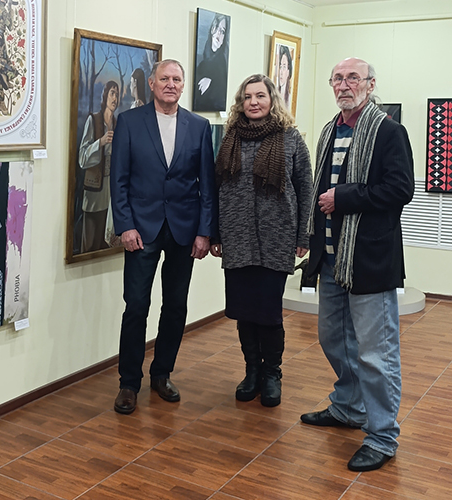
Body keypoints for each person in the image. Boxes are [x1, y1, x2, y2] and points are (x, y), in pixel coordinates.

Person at [300, 58, 414, 472]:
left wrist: (344, 198)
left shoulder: (388, 131)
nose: (344, 85)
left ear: (370, 84)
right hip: (332, 259)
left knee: (375, 354)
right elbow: (318, 193)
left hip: (368, 261)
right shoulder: (330, 130)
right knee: (333, 339)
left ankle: (382, 436)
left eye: (353, 78)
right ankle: (349, 407)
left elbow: (400, 190)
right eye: (338, 78)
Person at [110, 59, 217, 414]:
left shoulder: (198, 126)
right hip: (141, 229)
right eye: (164, 78)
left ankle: (162, 374)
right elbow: (118, 180)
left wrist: (204, 232)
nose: (171, 84)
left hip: (184, 230)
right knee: (136, 306)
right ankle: (128, 383)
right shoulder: (129, 122)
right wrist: (125, 225)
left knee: (175, 306)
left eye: (177, 79)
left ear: (183, 86)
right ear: (153, 84)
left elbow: (207, 185)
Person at [211, 74, 312, 407]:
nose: (253, 102)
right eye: (247, 97)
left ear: (272, 100)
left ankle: (272, 374)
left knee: (268, 312)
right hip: (237, 236)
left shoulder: (291, 138)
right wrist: (216, 233)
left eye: (260, 96)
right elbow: (216, 188)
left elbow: (306, 188)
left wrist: (303, 235)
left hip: (276, 237)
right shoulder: (230, 138)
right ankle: (252, 371)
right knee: (244, 311)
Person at [78, 80, 119, 253]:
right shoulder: (93, 120)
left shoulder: (117, 123)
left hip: (111, 194)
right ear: (105, 95)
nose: (115, 98)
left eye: (117, 94)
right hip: (94, 193)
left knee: (106, 244)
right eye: (112, 93)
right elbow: (82, 158)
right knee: (90, 244)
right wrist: (100, 143)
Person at [193, 13, 229, 112]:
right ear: (212, 29)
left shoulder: (221, 64)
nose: (218, 34)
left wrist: (212, 81)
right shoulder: (202, 63)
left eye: (222, 31)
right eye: (216, 28)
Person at [277, 45, 293, 110]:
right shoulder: (274, 96)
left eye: (284, 67)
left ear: (288, 71)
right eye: (280, 66)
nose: (281, 72)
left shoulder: (290, 99)